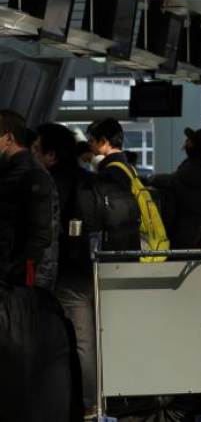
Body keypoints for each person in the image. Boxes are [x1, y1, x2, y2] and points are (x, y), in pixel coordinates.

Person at [33, 122, 96, 413]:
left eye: (36, 149)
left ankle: (79, 402)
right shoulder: (87, 179)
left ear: (51, 155)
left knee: (69, 338)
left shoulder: (49, 183)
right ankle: (85, 402)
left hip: (62, 272)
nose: (33, 154)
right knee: (83, 338)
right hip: (86, 266)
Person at [0, 110, 56, 288]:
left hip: (15, 277)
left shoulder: (31, 174)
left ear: (9, 138)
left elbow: (39, 235)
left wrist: (19, 274)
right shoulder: (10, 170)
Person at [149, 127, 201, 249]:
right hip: (195, 237)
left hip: (184, 238)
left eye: (193, 141)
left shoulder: (198, 169)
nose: (187, 142)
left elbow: (171, 181)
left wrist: (149, 179)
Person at [84, 118, 142, 251]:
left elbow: (111, 216)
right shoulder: (128, 168)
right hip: (131, 241)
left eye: (91, 140)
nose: (89, 145)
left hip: (116, 248)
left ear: (103, 142)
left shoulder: (110, 173)